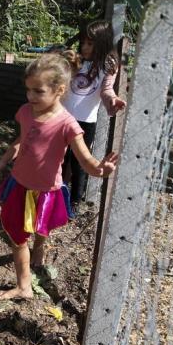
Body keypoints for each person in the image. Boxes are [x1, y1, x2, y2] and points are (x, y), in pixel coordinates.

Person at [0, 53, 119, 300]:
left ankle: (39, 247)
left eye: (38, 91)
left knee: (41, 225)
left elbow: (84, 159)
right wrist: (3, 162)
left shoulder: (67, 124)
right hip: (19, 184)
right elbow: (20, 141)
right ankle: (24, 286)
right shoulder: (26, 112)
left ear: (60, 90)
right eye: (28, 90)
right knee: (17, 236)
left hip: (47, 189)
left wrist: (99, 170)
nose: (30, 97)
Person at [62, 20, 127, 213]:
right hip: (62, 118)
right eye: (83, 42)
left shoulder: (107, 65)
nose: (84, 47)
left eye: (90, 43)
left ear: (101, 43)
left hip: (84, 122)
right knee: (60, 159)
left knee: (79, 163)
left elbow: (106, 89)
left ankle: (73, 203)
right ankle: (53, 196)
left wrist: (112, 99)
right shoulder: (76, 60)